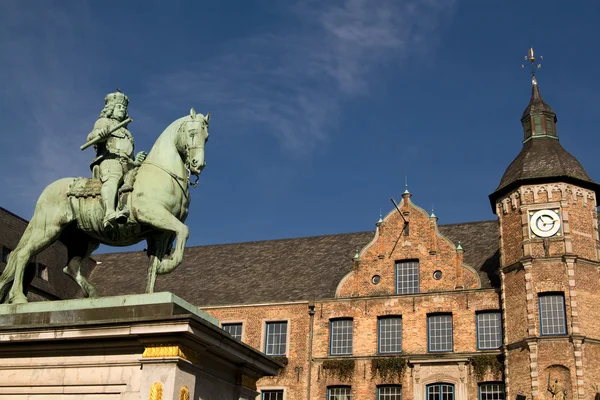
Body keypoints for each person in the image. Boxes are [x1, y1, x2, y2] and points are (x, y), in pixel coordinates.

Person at [86, 89, 146, 227]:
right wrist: (101, 135)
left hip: (127, 164)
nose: (122, 109)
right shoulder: (104, 122)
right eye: (119, 107)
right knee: (114, 177)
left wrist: (136, 161)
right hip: (110, 160)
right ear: (111, 109)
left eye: (124, 108)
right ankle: (109, 213)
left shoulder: (127, 132)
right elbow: (91, 137)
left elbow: (128, 154)